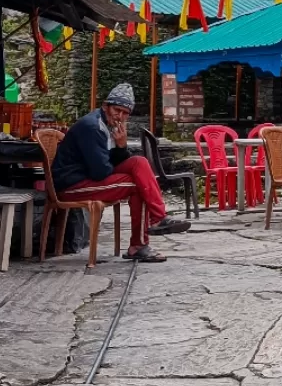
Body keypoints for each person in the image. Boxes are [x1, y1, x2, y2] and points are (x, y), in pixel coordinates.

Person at [51, 83, 189, 263]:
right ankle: (141, 242)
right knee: (136, 185)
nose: (120, 116)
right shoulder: (92, 127)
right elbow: (100, 171)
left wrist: (121, 146)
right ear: (105, 106)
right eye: (117, 110)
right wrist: (116, 154)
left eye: (125, 113)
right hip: (72, 184)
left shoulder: (108, 125)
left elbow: (108, 163)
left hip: (90, 177)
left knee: (139, 162)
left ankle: (156, 219)